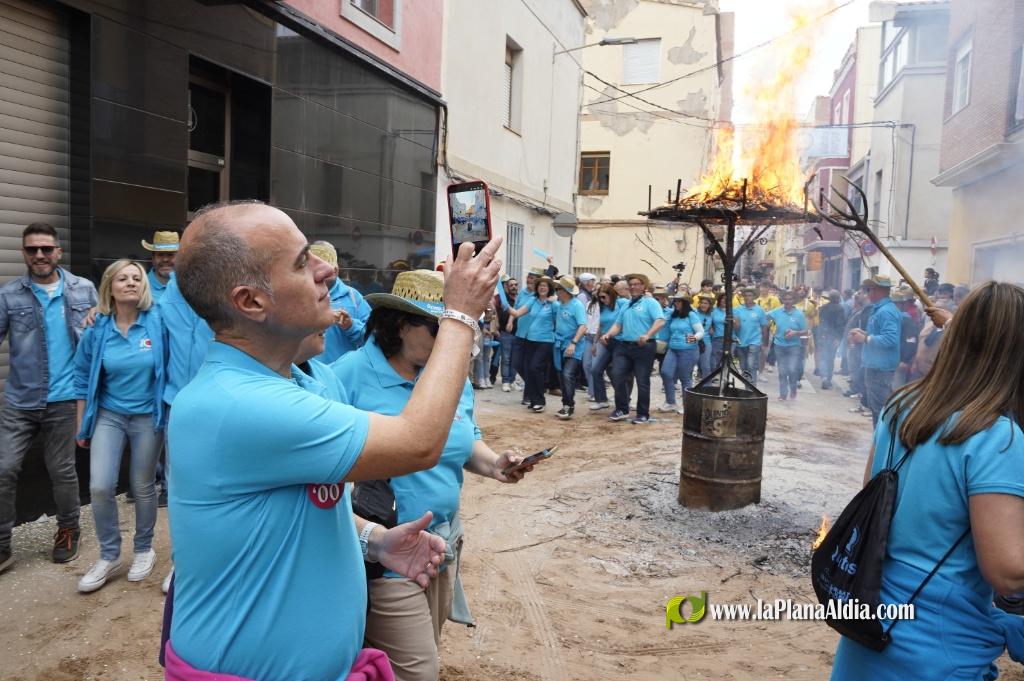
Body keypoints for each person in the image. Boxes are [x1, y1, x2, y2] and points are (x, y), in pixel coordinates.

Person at [164, 201, 501, 680]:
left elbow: (303, 504)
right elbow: (418, 442)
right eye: (302, 262)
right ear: (251, 302)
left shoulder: (302, 381)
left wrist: (373, 539)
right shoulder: (239, 403)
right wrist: (460, 315)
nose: (327, 270)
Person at [334, 271, 533, 681]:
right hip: (386, 553)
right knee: (418, 671)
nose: (450, 341)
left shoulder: (450, 375)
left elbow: (465, 440)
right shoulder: (346, 375)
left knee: (417, 653)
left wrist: (495, 464)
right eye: (439, 328)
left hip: (444, 544)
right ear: (401, 325)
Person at [830, 281, 1024, 681]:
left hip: (869, 625)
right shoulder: (997, 437)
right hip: (936, 649)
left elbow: (872, 503)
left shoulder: (900, 407)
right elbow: (1006, 571)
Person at [0, 223, 97, 574]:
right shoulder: (9, 295)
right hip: (20, 399)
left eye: (45, 249)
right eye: (32, 249)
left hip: (65, 399)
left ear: (58, 252)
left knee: (62, 470)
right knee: (4, 468)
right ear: (24, 253)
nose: (39, 255)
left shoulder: (84, 289)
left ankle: (68, 529)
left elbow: (101, 339)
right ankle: (2, 545)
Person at [73, 260, 166, 593]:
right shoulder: (98, 327)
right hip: (109, 415)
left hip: (147, 417)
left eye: (137, 278)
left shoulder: (158, 321)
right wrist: (81, 424)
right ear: (109, 287)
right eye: (123, 278)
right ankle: (109, 555)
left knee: (142, 485)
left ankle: (143, 549)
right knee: (100, 486)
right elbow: (81, 375)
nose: (130, 283)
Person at [599, 273, 665, 425]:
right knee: (617, 375)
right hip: (624, 346)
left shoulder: (650, 302)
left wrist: (648, 335)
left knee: (642, 381)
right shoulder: (626, 305)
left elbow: (660, 321)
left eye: (636, 284)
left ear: (643, 286)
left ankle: (643, 414)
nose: (633, 287)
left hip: (644, 347)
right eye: (631, 284)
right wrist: (608, 334)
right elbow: (618, 325)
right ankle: (622, 409)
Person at [848, 276, 901, 424]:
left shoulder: (885, 311)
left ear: (879, 291)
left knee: (880, 410)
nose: (868, 293)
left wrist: (865, 338)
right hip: (876, 364)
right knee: (877, 408)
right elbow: (880, 335)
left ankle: (881, 438)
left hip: (880, 367)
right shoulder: (881, 309)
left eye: (870, 290)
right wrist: (864, 334)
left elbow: (890, 339)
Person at [310, 241, 372, 364]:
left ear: (336, 269)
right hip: (303, 372)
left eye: (329, 268)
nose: (324, 273)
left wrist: (350, 325)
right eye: (319, 269)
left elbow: (373, 339)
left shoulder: (353, 297)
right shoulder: (298, 295)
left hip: (341, 373)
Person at [509, 276, 555, 413]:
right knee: (529, 370)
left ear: (549, 289)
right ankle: (534, 400)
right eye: (540, 285)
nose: (542, 288)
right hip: (530, 340)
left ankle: (540, 400)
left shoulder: (554, 304)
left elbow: (560, 321)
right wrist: (505, 305)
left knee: (535, 368)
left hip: (545, 341)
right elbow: (517, 313)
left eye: (545, 286)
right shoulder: (533, 301)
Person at [658, 294, 705, 414]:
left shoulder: (691, 315)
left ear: (685, 303)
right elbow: (661, 321)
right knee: (666, 373)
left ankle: (687, 406)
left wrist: (695, 337)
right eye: (675, 301)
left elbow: (701, 331)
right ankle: (671, 403)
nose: (676, 304)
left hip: (688, 350)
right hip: (673, 348)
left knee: (685, 378)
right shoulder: (673, 315)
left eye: (679, 301)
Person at [552, 276, 587, 420]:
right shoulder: (560, 304)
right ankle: (566, 404)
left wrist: (573, 342)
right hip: (561, 345)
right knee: (562, 375)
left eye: (558, 289)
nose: (556, 291)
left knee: (567, 374)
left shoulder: (577, 305)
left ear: (565, 291)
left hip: (573, 345)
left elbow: (583, 326)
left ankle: (569, 406)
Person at [508, 267, 543, 399]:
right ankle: (532, 386)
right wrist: (510, 321)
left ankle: (528, 395)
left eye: (533, 278)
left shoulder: (539, 297)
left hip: (533, 337)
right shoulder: (522, 293)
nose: (529, 280)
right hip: (519, 334)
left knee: (529, 366)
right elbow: (516, 308)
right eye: (529, 277)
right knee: (516, 363)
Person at [589, 283, 625, 412]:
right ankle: (601, 400)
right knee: (595, 369)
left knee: (617, 373)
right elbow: (600, 325)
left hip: (619, 342)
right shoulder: (603, 307)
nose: (602, 300)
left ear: (611, 295)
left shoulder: (622, 303)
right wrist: (595, 343)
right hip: (604, 342)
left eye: (604, 297)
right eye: (600, 297)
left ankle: (624, 400)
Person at [767, 290, 808, 401]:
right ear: (782, 300)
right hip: (779, 344)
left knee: (792, 370)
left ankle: (793, 390)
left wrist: (795, 333)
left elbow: (806, 331)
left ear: (793, 300)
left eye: (790, 299)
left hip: (794, 346)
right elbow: (765, 316)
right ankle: (783, 394)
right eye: (785, 299)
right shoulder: (777, 311)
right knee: (782, 371)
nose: (787, 301)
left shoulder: (799, 314)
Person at [733, 288, 768, 387]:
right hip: (741, 341)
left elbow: (764, 327)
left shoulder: (759, 310)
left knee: (751, 365)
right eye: (745, 296)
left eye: (750, 295)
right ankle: (747, 387)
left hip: (754, 341)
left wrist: (764, 342)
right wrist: (736, 324)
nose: (747, 297)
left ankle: (752, 388)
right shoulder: (737, 309)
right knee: (743, 366)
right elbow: (735, 327)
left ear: (754, 297)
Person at [816, 290, 848, 390]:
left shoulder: (823, 308)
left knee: (823, 357)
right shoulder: (840, 309)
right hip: (833, 337)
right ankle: (828, 378)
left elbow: (821, 322)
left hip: (823, 335)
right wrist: (838, 338)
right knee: (830, 358)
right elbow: (840, 325)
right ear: (838, 298)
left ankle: (824, 376)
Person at [577, 273, 600, 401]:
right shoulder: (588, 303)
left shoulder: (604, 305)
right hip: (588, 336)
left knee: (595, 366)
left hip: (598, 337)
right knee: (586, 364)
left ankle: (596, 393)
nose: (595, 291)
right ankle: (593, 391)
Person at [141, 231, 178, 303]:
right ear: (153, 259)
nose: (165, 259)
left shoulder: (188, 286)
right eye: (160, 255)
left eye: (170, 255)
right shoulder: (141, 286)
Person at [495, 276, 518, 391]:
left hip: (518, 334)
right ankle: (505, 381)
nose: (514, 287)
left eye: (515, 285)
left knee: (515, 359)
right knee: (506, 359)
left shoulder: (520, 299)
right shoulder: (503, 300)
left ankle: (512, 381)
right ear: (507, 287)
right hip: (506, 333)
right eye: (511, 285)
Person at [693, 294, 715, 379]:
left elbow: (714, 325)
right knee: (693, 364)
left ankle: (707, 383)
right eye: (701, 303)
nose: (703, 305)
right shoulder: (694, 313)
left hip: (706, 342)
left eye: (706, 303)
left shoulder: (711, 314)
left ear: (709, 305)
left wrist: (712, 328)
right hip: (694, 341)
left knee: (706, 365)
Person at [710, 292, 729, 369]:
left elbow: (738, 325)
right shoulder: (713, 311)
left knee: (726, 362)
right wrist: (711, 328)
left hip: (730, 339)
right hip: (717, 338)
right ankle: (716, 374)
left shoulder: (733, 311)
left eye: (726, 299)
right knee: (716, 360)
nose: (724, 300)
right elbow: (709, 321)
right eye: (722, 298)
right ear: (719, 300)